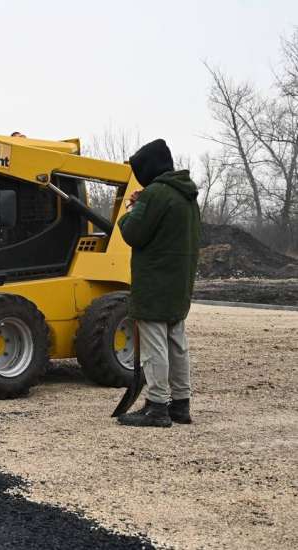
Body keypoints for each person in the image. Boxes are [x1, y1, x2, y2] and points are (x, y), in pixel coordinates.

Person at [116, 139, 200, 427]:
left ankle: (157, 407)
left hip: (154, 284)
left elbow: (133, 233)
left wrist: (131, 211)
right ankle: (181, 404)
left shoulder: (155, 194)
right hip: (179, 282)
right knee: (177, 343)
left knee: (155, 348)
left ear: (149, 168)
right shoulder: (187, 196)